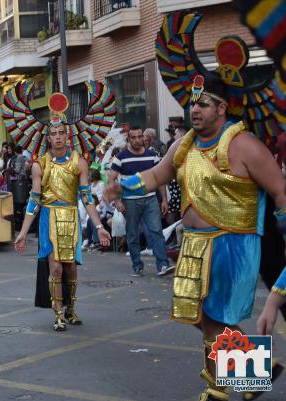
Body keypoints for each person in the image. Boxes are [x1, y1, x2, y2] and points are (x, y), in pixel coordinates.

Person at [114, 74, 286, 401]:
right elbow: (155, 175)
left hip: (232, 244)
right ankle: (254, 371)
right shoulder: (184, 144)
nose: (195, 109)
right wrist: (121, 186)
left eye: (203, 103)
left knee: (214, 320)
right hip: (193, 243)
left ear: (222, 108)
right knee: (197, 315)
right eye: (193, 103)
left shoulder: (244, 145)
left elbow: (280, 191)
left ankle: (217, 390)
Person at [9, 88, 113, 332]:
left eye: (61, 133)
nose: (57, 137)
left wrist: (99, 227)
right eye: (53, 133)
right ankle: (57, 311)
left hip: (70, 216)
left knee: (71, 266)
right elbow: (34, 200)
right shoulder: (40, 164)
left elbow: (86, 197)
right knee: (55, 266)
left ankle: (71, 308)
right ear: (48, 137)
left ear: (68, 136)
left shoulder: (79, 162)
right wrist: (23, 231)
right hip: (49, 217)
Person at [108, 127, 173, 277]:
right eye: (134, 137)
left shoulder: (152, 156)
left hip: (150, 199)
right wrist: (117, 201)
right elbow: (111, 179)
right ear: (129, 139)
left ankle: (163, 265)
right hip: (129, 202)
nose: (137, 140)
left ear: (143, 137)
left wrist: (164, 199)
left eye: (140, 137)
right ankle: (137, 265)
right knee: (132, 234)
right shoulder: (121, 157)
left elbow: (160, 178)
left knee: (157, 231)